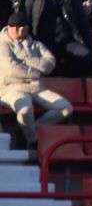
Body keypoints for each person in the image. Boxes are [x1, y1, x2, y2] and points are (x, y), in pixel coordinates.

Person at [0, 12, 71, 148]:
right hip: (11, 88)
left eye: (19, 26)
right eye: (12, 26)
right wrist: (36, 73)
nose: (14, 30)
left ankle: (28, 131)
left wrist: (26, 60)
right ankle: (32, 140)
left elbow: (50, 63)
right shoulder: (2, 43)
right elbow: (11, 69)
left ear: (26, 28)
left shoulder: (36, 44)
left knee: (65, 108)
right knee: (25, 109)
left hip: (38, 88)